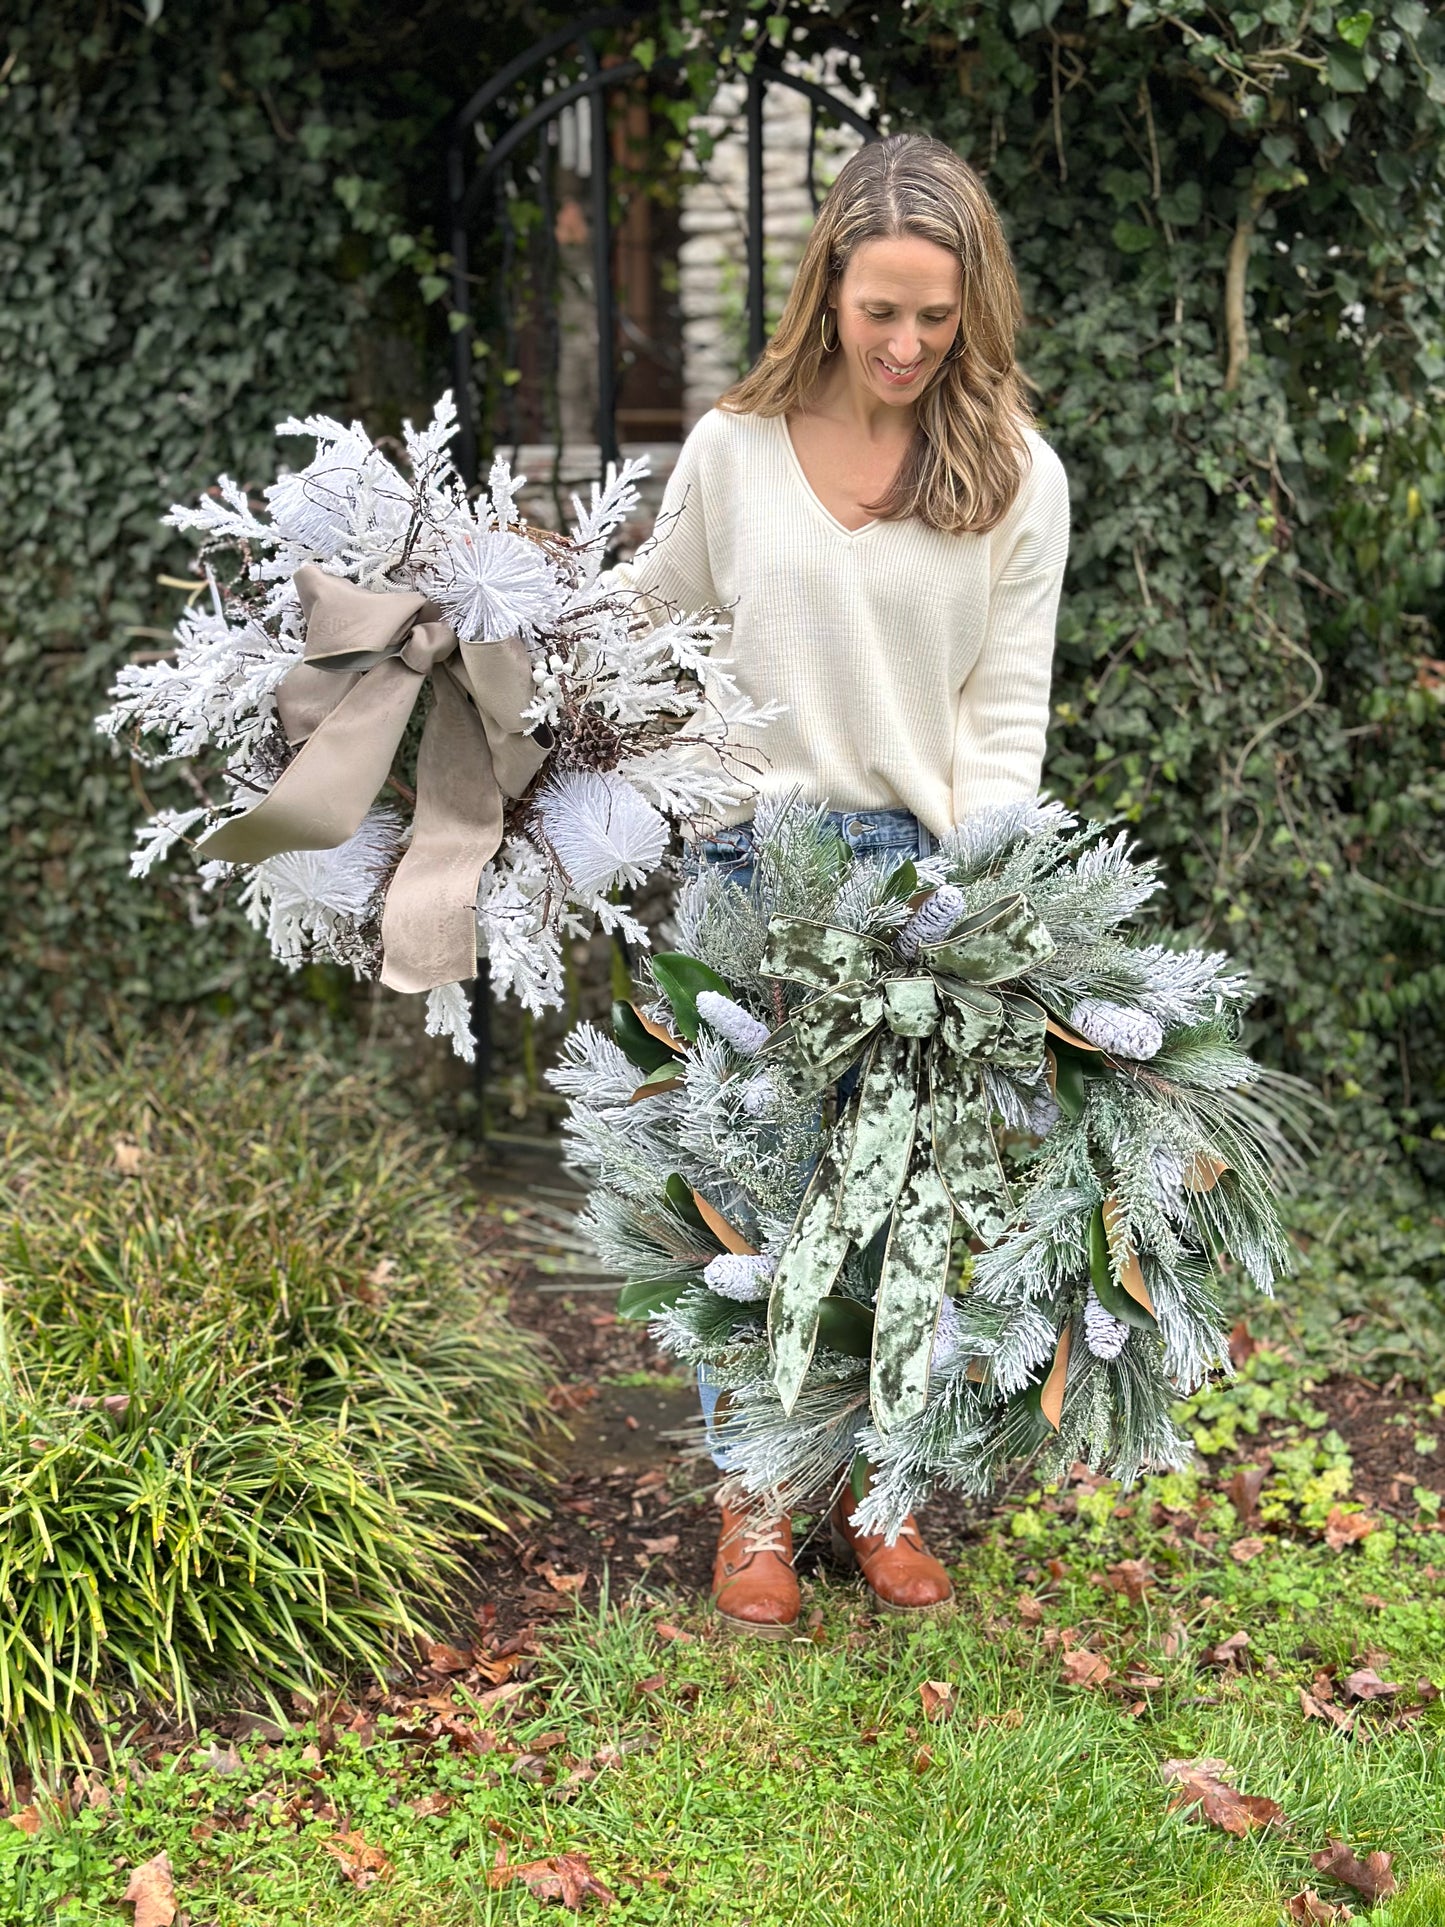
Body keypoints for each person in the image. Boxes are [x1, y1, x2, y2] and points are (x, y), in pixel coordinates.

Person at [612, 131, 1071, 1636]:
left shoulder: (1011, 471)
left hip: (915, 886)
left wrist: (979, 907)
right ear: (826, 289)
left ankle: (882, 1501)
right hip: (746, 868)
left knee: (897, 1214)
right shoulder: (731, 455)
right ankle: (754, 1504)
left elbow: (1003, 711)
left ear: (971, 308)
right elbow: (643, 641)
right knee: (746, 1207)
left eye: (934, 317)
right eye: (879, 309)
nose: (902, 343)